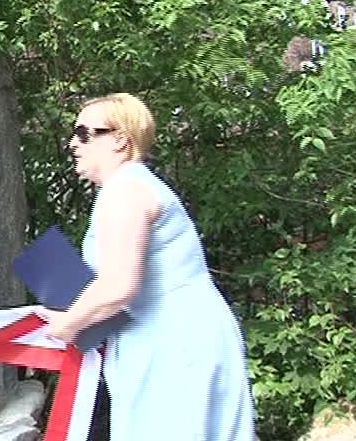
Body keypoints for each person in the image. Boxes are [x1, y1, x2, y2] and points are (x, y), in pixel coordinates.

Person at [38, 93, 255, 440]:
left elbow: (119, 286)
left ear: (120, 140)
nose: (72, 143)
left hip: (174, 346)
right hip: (169, 338)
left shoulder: (125, 191)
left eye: (83, 133)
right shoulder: (129, 186)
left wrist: (69, 324)